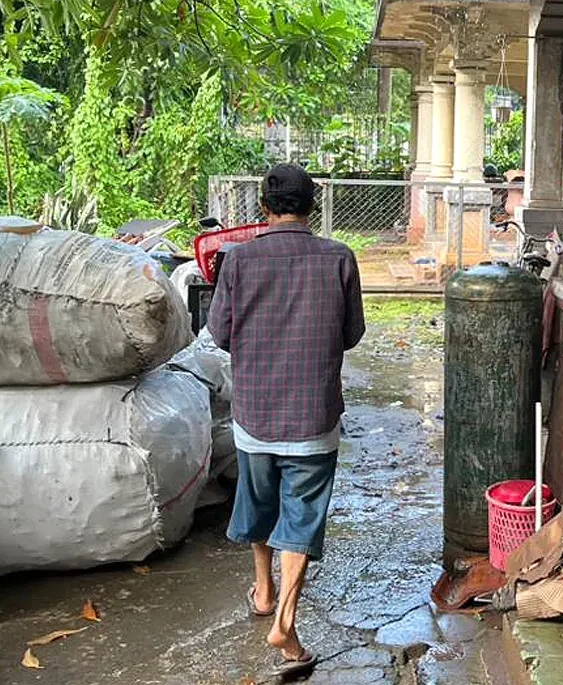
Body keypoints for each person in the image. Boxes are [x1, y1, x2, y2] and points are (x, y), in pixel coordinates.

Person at [208, 163, 365, 677]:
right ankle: (283, 620)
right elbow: (352, 333)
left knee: (259, 501)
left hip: (254, 413)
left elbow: (220, 334)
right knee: (300, 515)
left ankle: (264, 588)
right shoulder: (340, 258)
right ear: (312, 207)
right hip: (313, 415)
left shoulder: (238, 261)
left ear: (263, 209)